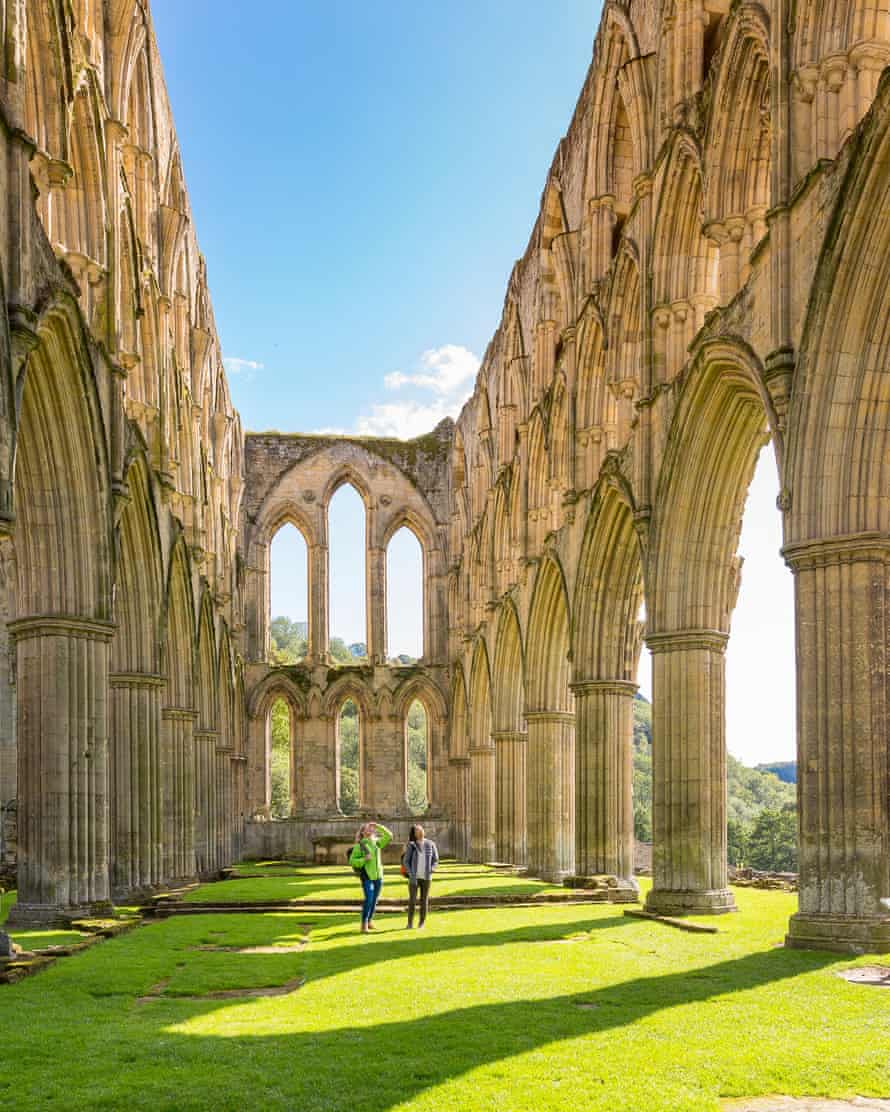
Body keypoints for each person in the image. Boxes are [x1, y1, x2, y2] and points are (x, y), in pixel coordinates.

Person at [349, 820, 393, 933]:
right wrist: (364, 859)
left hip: (378, 876)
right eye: (367, 828)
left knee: (374, 900)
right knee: (369, 899)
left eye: (371, 828)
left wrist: (378, 826)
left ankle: (369, 921)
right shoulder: (360, 845)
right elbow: (352, 861)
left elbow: (389, 836)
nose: (370, 829)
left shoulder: (377, 843)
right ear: (363, 832)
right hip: (367, 877)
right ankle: (364, 925)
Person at [404, 823, 439, 929]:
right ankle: (410, 923)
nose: (420, 832)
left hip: (426, 877)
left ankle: (421, 923)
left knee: (424, 900)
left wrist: (432, 869)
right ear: (414, 834)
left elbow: (436, 860)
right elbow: (406, 861)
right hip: (414, 877)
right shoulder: (411, 845)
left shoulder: (431, 844)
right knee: (412, 900)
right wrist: (410, 873)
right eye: (417, 831)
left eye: (421, 829)